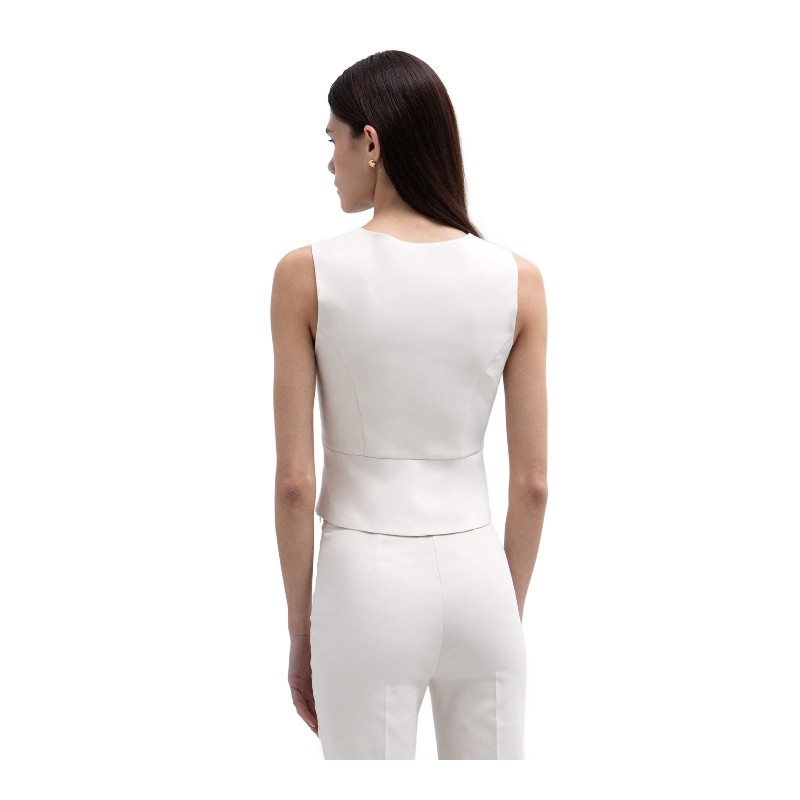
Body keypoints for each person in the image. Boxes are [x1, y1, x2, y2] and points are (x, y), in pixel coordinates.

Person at [271, 50, 548, 760]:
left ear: (370, 142)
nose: (330, 162)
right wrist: (500, 613)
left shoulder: (306, 275)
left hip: (364, 583)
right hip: (482, 578)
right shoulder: (518, 280)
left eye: (333, 141)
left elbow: (295, 483)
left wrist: (301, 632)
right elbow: (532, 485)